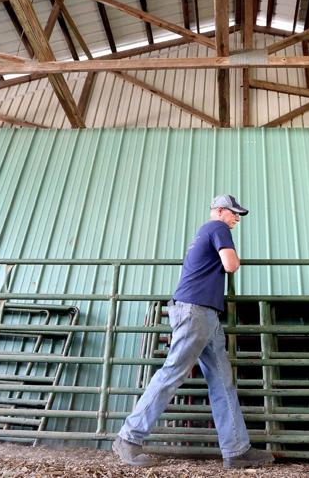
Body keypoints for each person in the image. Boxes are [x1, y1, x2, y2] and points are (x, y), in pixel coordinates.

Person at [113, 194, 274, 469]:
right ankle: (128, 438)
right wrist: (234, 255)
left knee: (223, 381)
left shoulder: (207, 232)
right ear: (220, 211)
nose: (237, 219)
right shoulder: (216, 228)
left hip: (206, 313)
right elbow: (231, 265)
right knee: (173, 372)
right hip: (195, 311)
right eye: (234, 213)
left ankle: (236, 451)